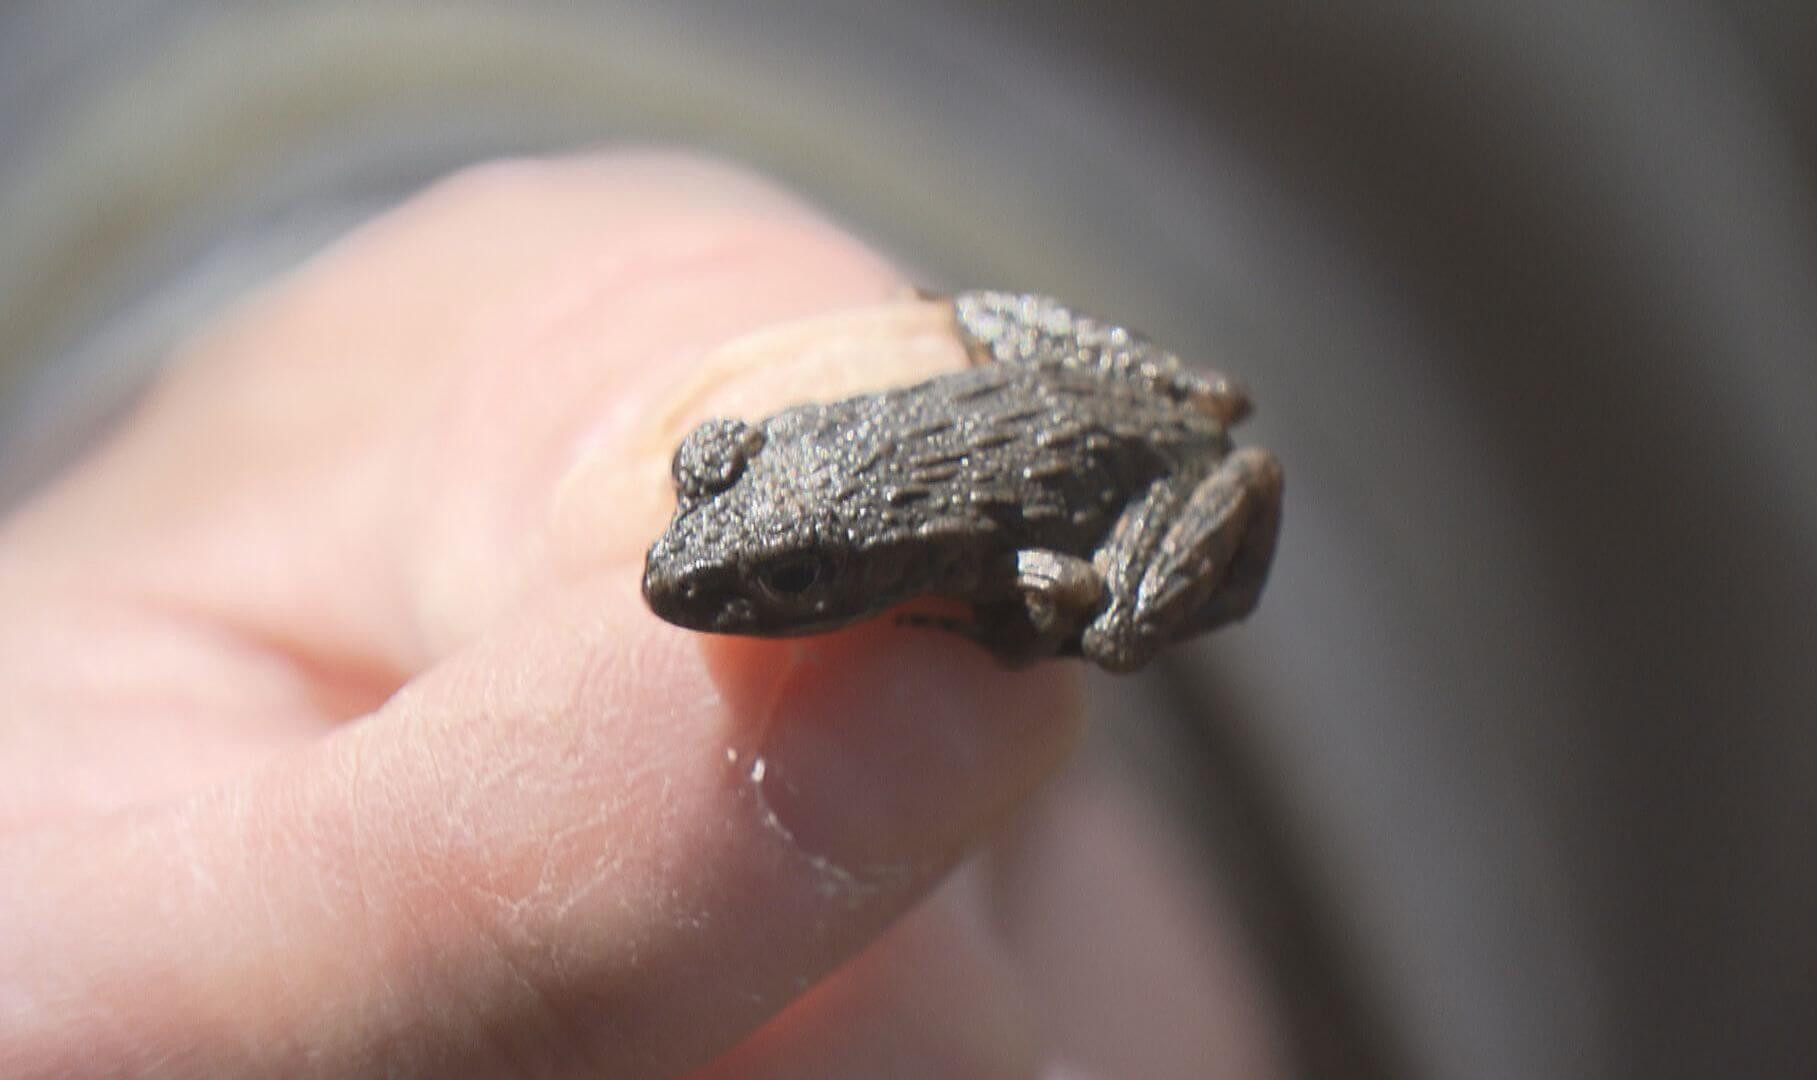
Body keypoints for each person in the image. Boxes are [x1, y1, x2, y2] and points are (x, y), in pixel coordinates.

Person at [0, 153, 1279, 1078]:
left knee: (1099, 625)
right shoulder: (803, 453)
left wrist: (1007, 622)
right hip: (1010, 422)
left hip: (1145, 475)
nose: (682, 575)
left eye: (792, 582)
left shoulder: (931, 550)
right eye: (705, 472)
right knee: (971, 338)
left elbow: (1055, 585)